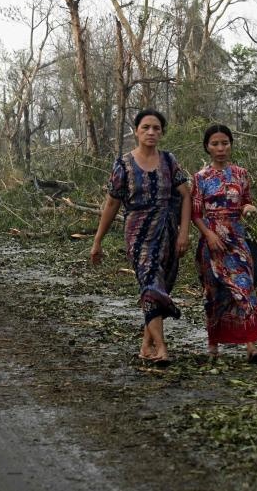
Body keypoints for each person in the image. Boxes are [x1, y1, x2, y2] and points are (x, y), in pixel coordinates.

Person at [90, 109, 191, 364]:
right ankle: (161, 348)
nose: (151, 132)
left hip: (168, 232)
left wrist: (184, 233)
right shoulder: (123, 164)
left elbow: (186, 195)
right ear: (136, 131)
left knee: (162, 288)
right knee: (150, 285)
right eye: (146, 127)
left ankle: (146, 346)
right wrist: (97, 240)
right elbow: (112, 204)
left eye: (156, 128)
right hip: (138, 234)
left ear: (161, 132)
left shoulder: (169, 161)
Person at [191, 124, 257, 362]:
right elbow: (195, 213)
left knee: (245, 287)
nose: (220, 148)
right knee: (214, 291)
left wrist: (248, 208)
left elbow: (245, 202)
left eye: (225, 143)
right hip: (211, 240)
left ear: (231, 144)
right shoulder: (200, 178)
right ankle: (213, 345)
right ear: (207, 147)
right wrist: (209, 236)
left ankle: (251, 344)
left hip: (236, 238)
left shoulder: (241, 174)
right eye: (215, 144)